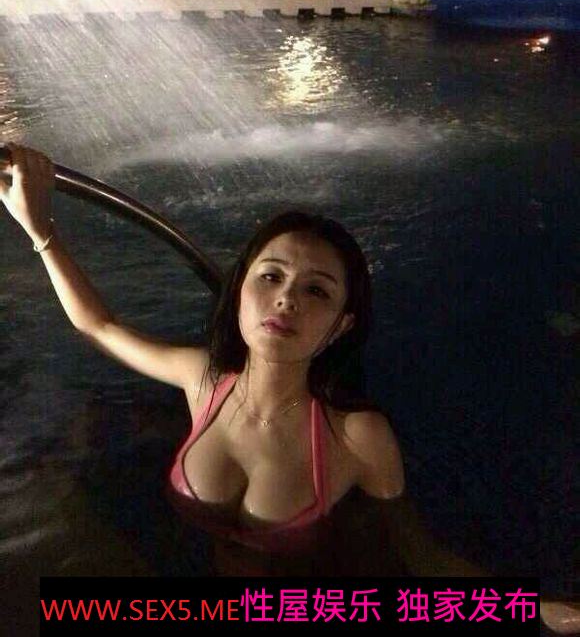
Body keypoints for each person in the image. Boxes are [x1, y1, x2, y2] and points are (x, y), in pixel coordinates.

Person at [1, 144, 577, 631]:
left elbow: (416, 554)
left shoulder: (355, 436)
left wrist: (533, 610)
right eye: (271, 276)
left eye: (316, 291)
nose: (286, 299)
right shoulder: (204, 382)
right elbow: (100, 327)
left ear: (341, 326)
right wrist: (40, 230)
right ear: (240, 290)